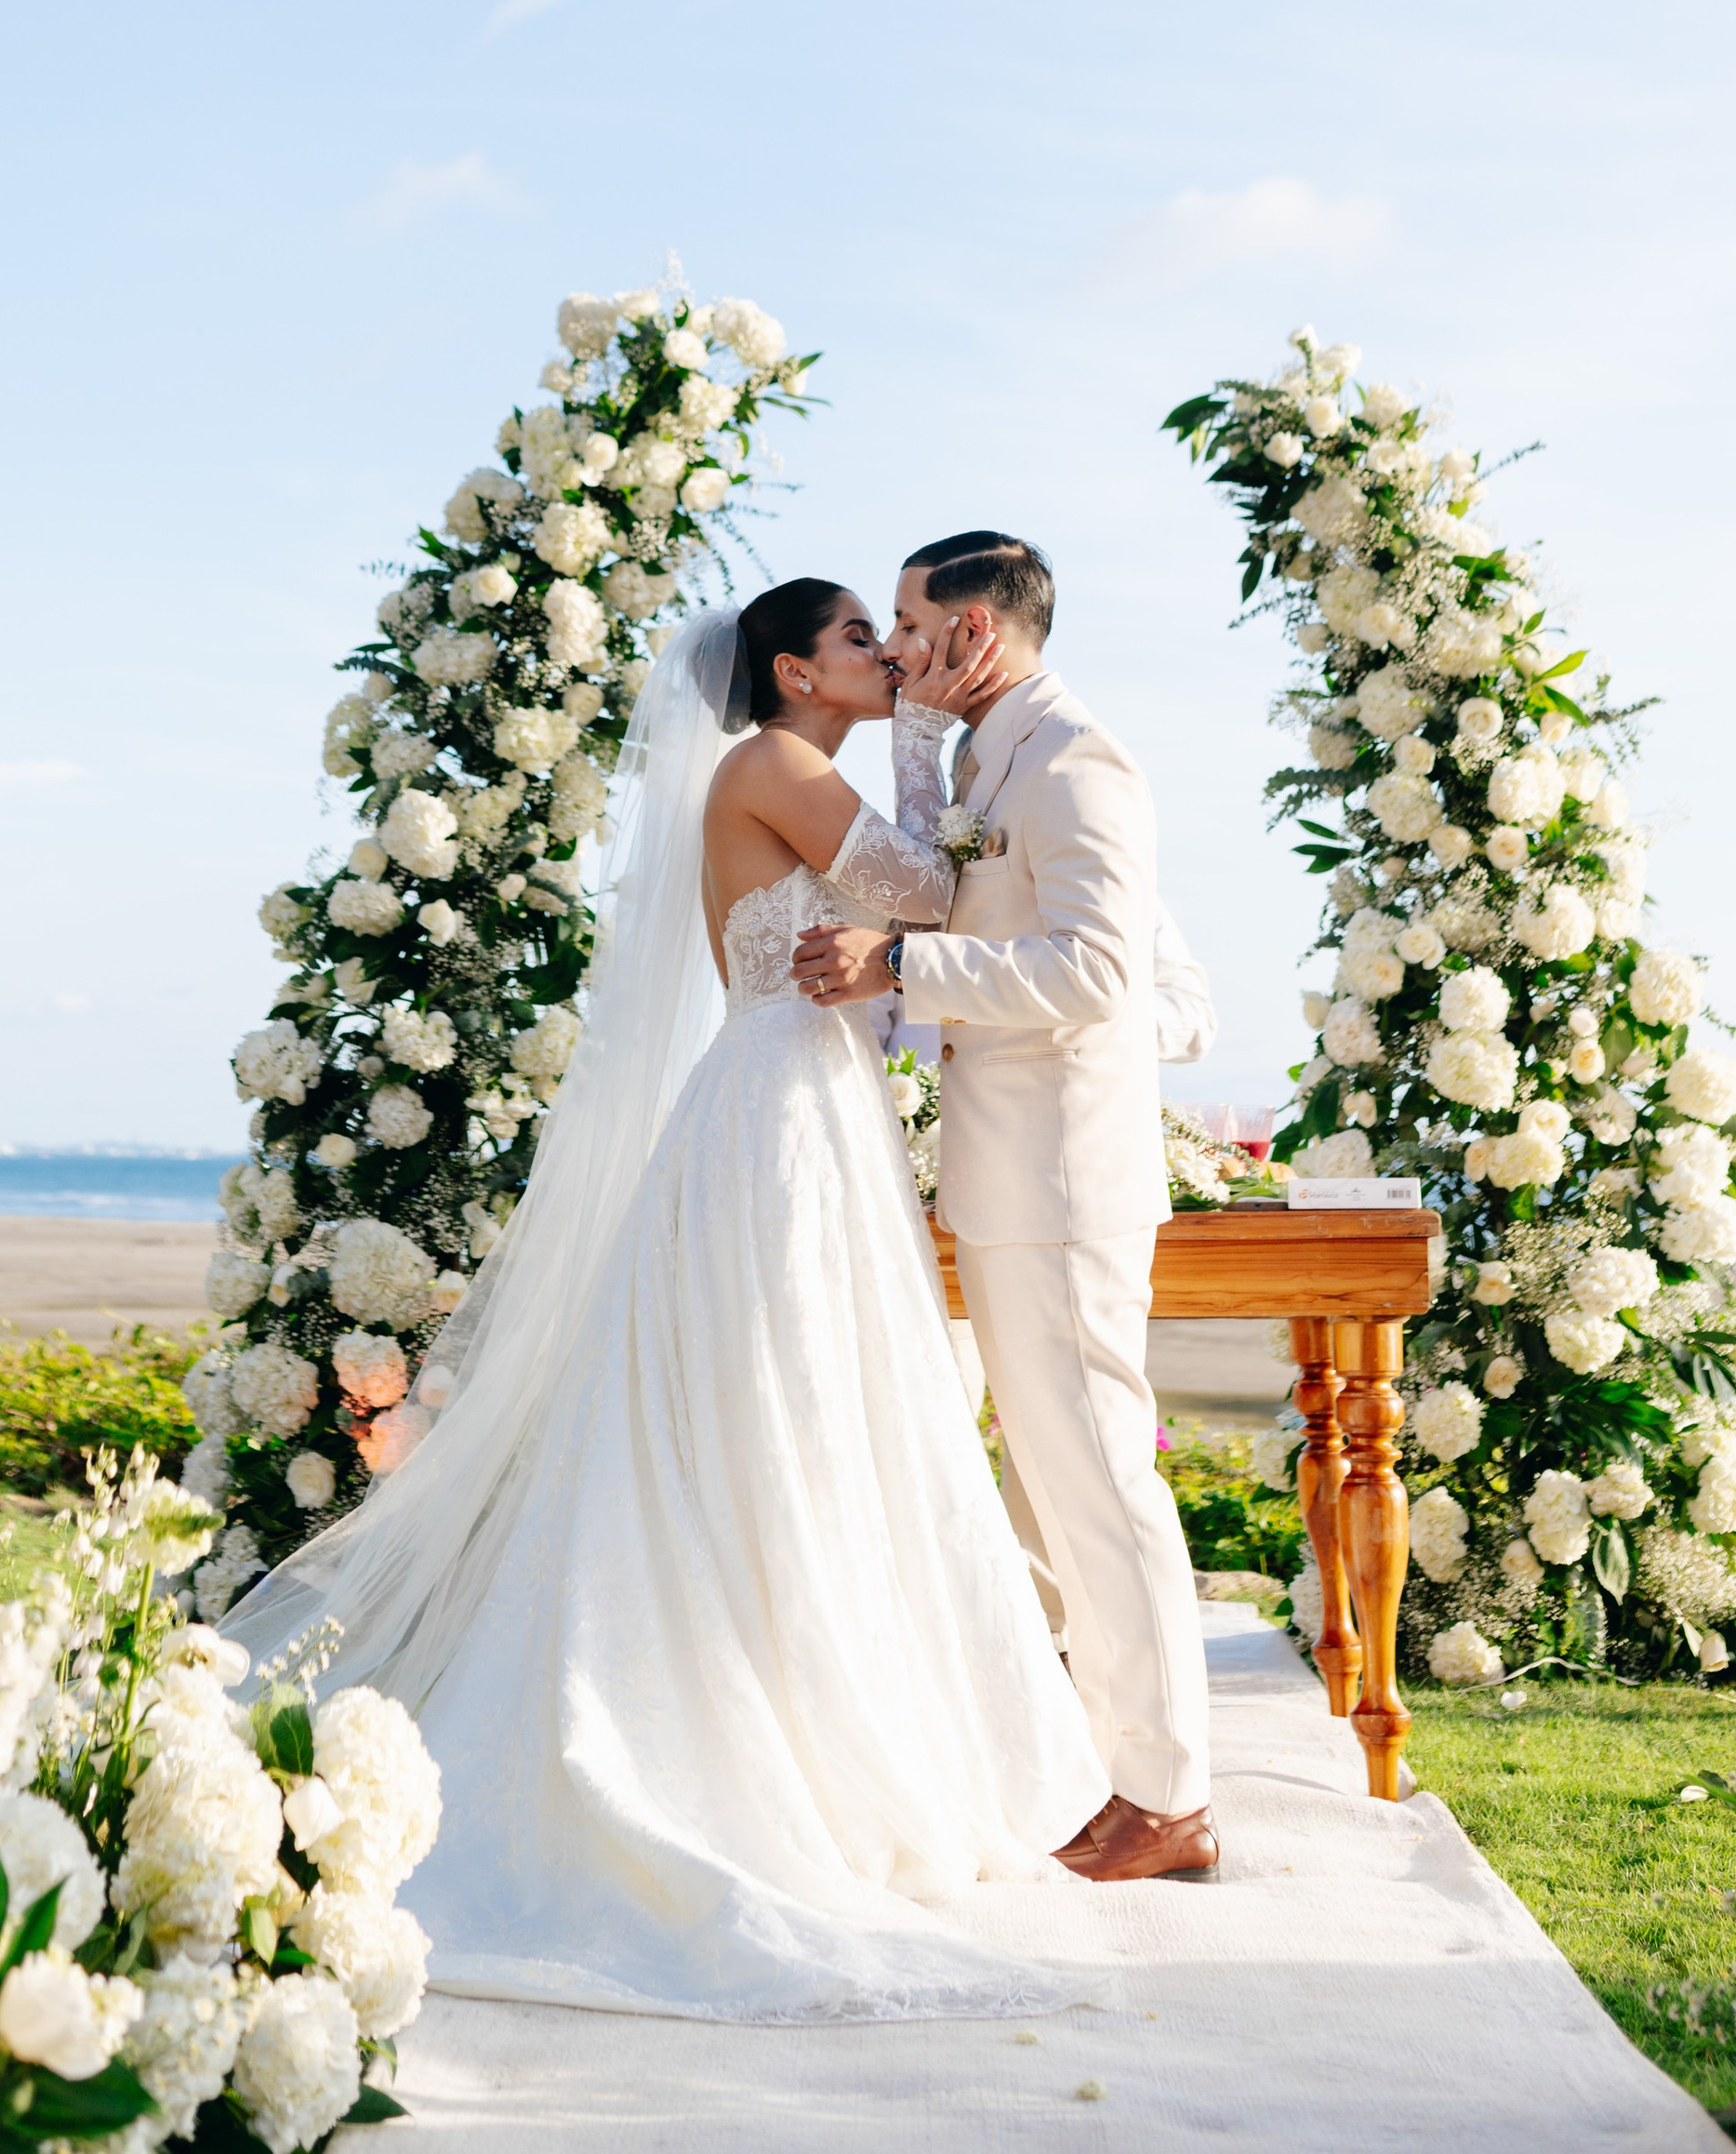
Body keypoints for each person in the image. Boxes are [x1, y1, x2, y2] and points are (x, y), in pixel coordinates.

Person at [227, 582, 1114, 2022]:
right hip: (780, 1111)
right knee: (784, 1407)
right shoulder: (776, 764)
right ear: (792, 673)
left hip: (803, 1098)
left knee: (816, 1408)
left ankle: (818, 1695)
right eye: (856, 642)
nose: (885, 655)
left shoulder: (790, 766)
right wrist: (935, 733)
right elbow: (932, 895)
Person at [793, 531, 1217, 1883]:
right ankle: (1113, 1775)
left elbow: (1099, 971)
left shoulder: (1079, 757)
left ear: (976, 632)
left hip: (1063, 1181)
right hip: (1007, 1176)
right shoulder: (990, 759)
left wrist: (907, 961)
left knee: (1099, 1484)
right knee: (1049, 1488)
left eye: (913, 623)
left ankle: (1171, 1802)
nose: (900, 647)